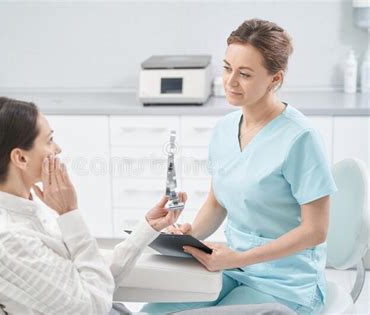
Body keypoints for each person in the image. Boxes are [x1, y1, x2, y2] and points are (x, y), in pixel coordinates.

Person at [143, 18, 337, 315]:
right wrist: (189, 234)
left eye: (245, 74)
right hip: (234, 271)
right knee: (153, 312)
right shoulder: (225, 128)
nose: (230, 82)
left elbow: (316, 230)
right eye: (226, 68)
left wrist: (238, 258)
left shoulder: (301, 138)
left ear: (275, 80)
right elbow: (217, 202)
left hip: (286, 284)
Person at [0, 96, 186, 314]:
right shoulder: (7, 239)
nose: (58, 149)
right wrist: (69, 213)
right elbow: (93, 305)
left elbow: (96, 276)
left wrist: (148, 228)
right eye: (49, 140)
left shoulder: (27, 211)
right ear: (20, 158)